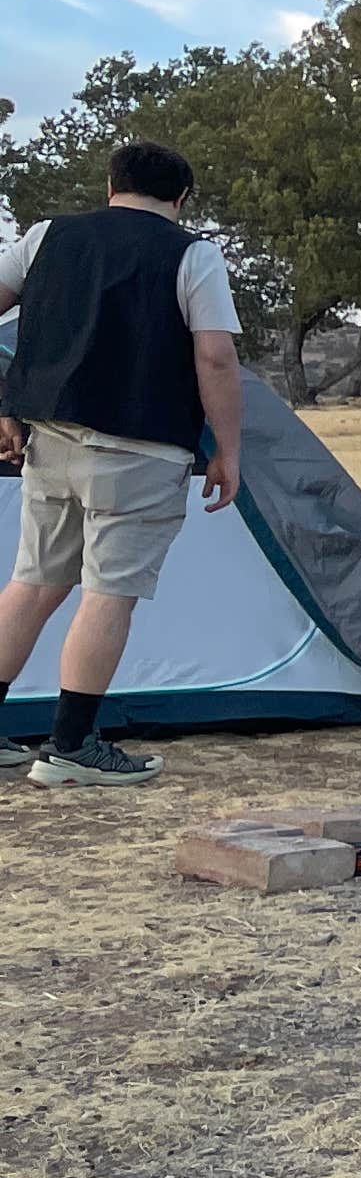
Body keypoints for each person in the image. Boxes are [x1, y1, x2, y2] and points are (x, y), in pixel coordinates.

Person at [0, 139, 244, 787]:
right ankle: (71, 746)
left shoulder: (46, 236)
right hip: (143, 447)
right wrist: (227, 450)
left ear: (111, 185)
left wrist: (8, 399)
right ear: (181, 198)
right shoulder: (193, 254)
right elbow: (215, 356)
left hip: (49, 438)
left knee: (32, 584)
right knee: (110, 592)